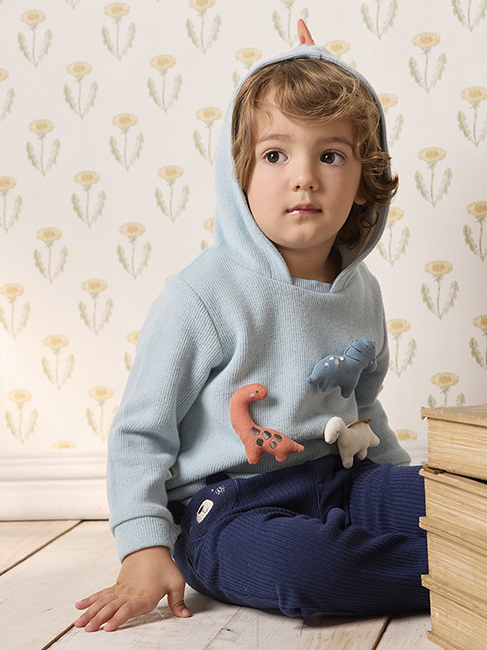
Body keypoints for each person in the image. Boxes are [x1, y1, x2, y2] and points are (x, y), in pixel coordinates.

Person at [74, 20, 428, 633]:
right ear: (238, 175)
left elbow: (362, 407)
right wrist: (143, 545)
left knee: (459, 499)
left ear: (363, 178)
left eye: (330, 155)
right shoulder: (202, 295)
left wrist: (404, 489)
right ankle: (485, 572)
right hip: (227, 510)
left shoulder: (361, 290)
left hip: (341, 479)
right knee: (311, 569)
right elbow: (141, 431)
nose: (304, 176)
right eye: (275, 155)